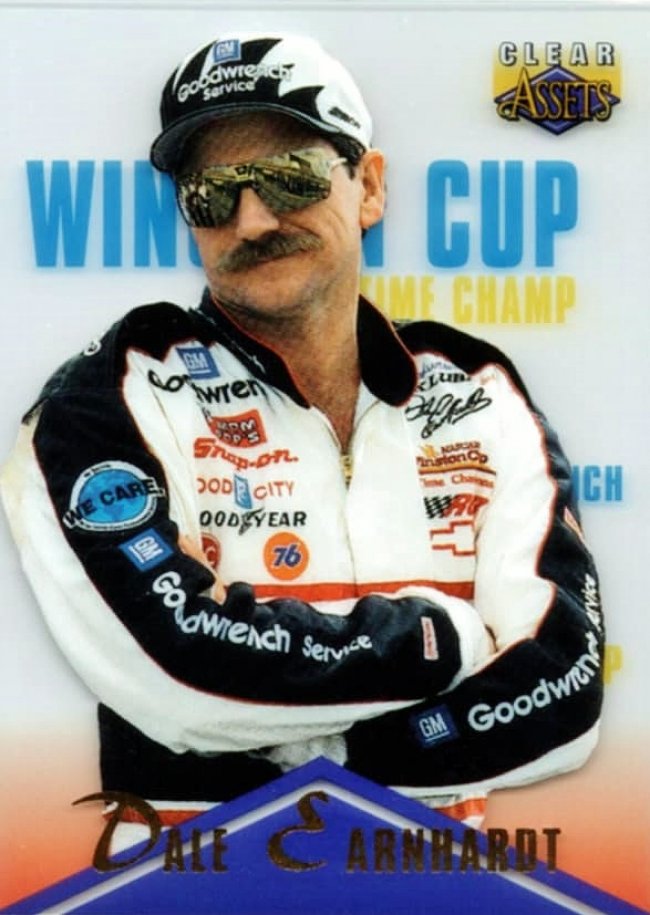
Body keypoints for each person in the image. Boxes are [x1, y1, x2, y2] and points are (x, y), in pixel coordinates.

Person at [1, 31, 603, 833]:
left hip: (429, 880)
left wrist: (329, 755)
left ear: (369, 187)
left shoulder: (477, 389)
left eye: (289, 176)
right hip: (188, 882)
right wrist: (445, 635)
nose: (252, 220)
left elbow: (565, 689)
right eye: (211, 194)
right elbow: (174, 673)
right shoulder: (105, 399)